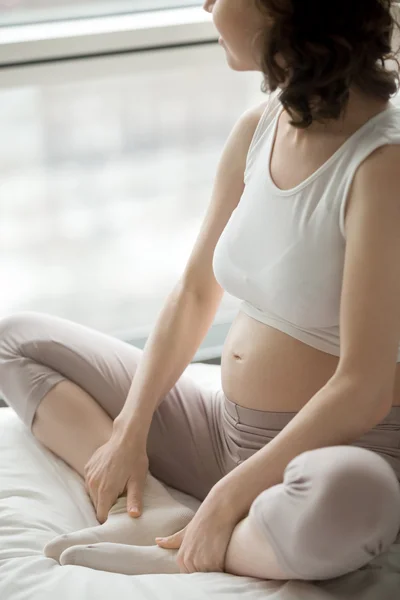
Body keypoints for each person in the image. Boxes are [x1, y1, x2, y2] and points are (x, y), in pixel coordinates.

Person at [1, 0, 400, 583]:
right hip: (223, 433)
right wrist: (128, 429)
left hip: (328, 457)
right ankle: (154, 512)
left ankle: (208, 542)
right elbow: (192, 295)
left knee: (353, 497)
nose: (207, 4)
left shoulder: (382, 163)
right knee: (16, 341)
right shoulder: (260, 126)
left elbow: (362, 388)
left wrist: (228, 495)